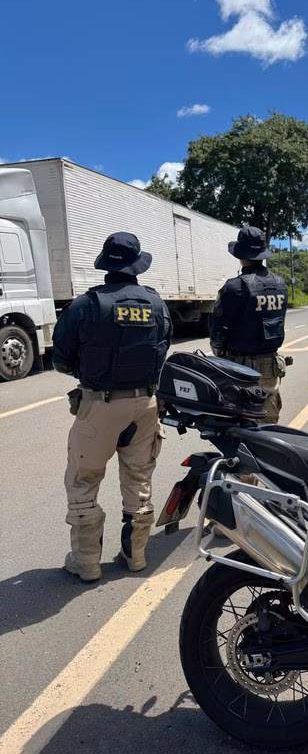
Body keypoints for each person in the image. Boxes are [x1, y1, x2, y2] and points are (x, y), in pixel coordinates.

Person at [52, 232, 173, 582]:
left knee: (83, 480)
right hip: (146, 403)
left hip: (100, 406)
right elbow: (163, 347)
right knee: (138, 478)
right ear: (138, 266)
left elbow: (61, 359)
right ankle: (135, 556)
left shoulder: (87, 304)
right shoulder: (156, 303)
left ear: (106, 265)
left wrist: (87, 371)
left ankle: (87, 564)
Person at [210, 226, 288, 424]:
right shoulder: (280, 284)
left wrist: (219, 353)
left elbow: (218, 330)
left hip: (240, 372)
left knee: (239, 430)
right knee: (267, 428)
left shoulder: (235, 287)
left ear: (240, 255)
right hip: (270, 370)